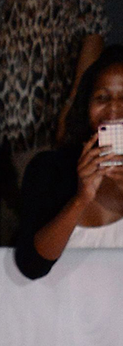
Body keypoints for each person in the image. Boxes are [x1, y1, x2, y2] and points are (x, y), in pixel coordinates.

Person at [15, 46, 123, 280]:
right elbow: (31, 266)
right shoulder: (50, 168)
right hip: (63, 313)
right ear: (86, 107)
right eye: (102, 98)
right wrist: (80, 198)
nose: (114, 108)